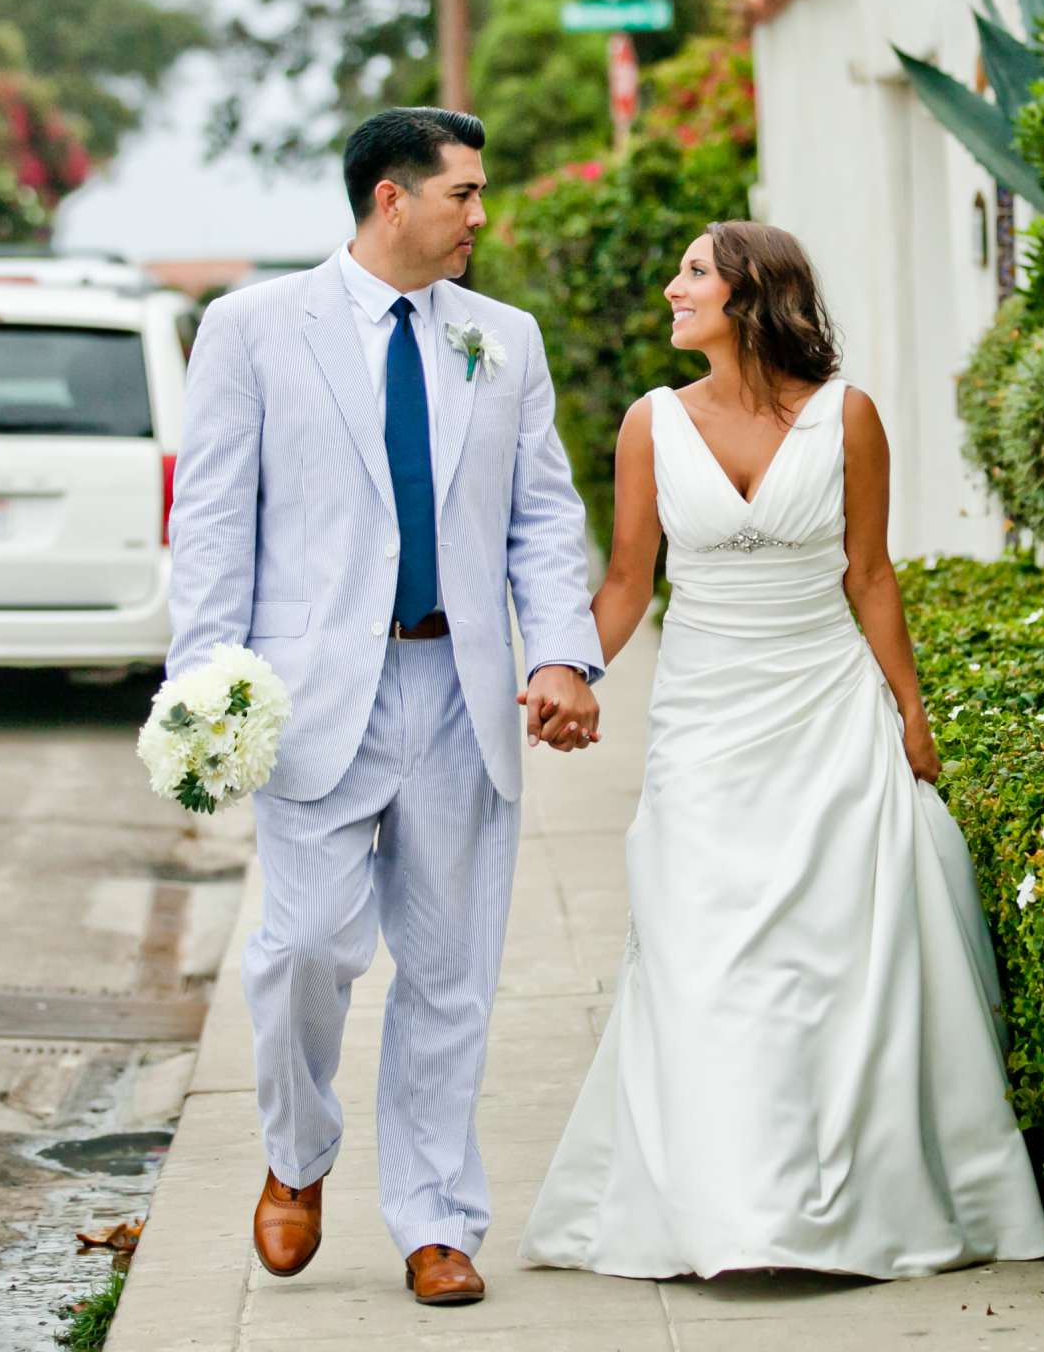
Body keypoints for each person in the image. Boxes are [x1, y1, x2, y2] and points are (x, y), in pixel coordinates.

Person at [521, 220, 1044, 1279]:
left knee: (830, 956)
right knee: (701, 951)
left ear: (752, 296)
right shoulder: (650, 425)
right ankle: (722, 1207)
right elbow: (629, 583)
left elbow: (870, 575)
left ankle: (842, 1196)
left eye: (693, 273)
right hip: (706, 721)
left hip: (825, 709)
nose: (673, 288)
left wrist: (911, 708)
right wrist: (569, 668)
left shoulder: (849, 419)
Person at [166, 107, 606, 1308]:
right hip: (311, 699)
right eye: (463, 192)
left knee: (451, 972)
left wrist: (563, 650)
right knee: (305, 946)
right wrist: (203, 693)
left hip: (458, 693)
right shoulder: (254, 328)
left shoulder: (504, 340)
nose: (481, 215)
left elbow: (542, 515)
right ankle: (296, 1153)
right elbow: (213, 520)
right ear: (391, 200)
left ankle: (436, 1221)